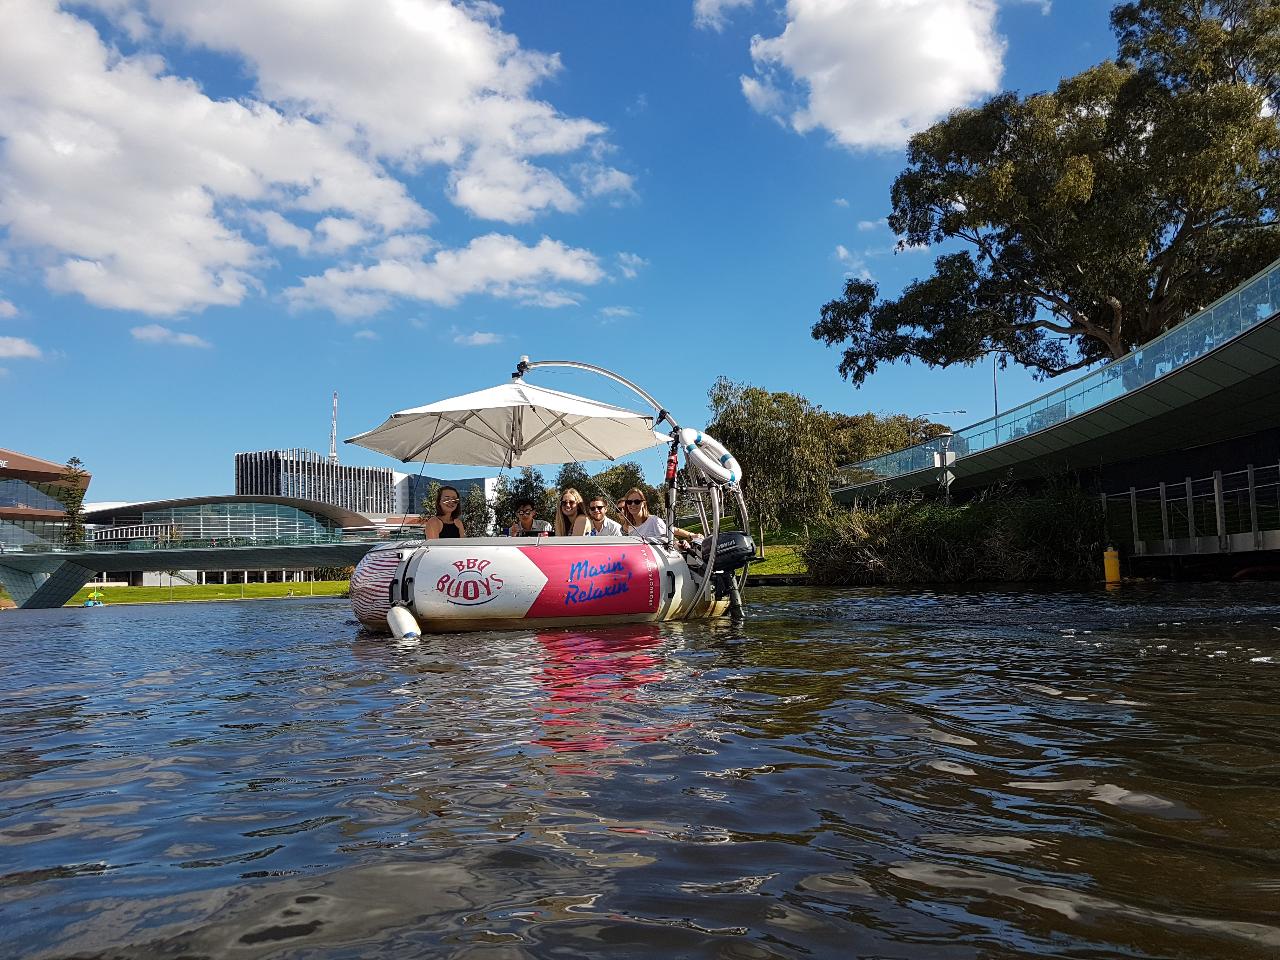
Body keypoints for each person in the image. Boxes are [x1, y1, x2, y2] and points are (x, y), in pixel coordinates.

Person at [619, 488, 697, 542]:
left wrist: (690, 535)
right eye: (629, 502)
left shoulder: (654, 521)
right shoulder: (626, 528)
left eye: (637, 501)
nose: (632, 504)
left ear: (643, 504)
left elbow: (668, 539)